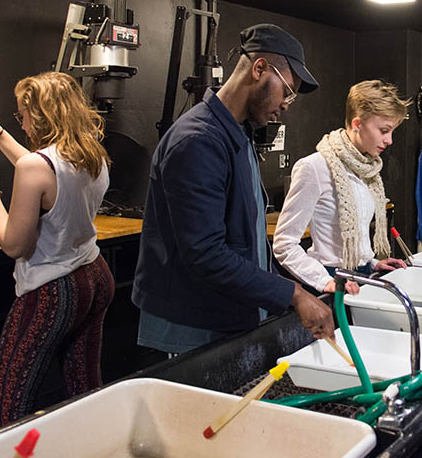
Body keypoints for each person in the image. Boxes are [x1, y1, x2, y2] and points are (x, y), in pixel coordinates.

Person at [131, 23, 334, 354]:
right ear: (259, 69)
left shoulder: (238, 134)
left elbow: (246, 238)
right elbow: (205, 253)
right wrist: (293, 294)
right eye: (287, 91)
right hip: (193, 321)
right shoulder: (198, 140)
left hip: (226, 310)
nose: (286, 105)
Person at [0, 72, 114, 427]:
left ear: (43, 115)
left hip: (53, 290)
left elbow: (15, 244)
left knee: (11, 402)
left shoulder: (37, 166)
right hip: (94, 277)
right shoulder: (92, 153)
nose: (24, 122)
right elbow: (42, 170)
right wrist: (0, 134)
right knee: (85, 392)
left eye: (24, 115)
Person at [273, 80, 408, 294]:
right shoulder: (314, 168)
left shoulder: (368, 169)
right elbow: (284, 245)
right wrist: (324, 281)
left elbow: (356, 238)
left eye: (392, 131)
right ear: (357, 124)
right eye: (384, 130)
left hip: (362, 277)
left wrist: (372, 263)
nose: (389, 140)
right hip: (331, 283)